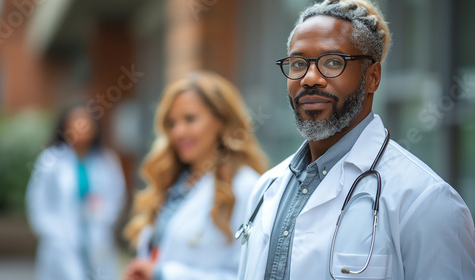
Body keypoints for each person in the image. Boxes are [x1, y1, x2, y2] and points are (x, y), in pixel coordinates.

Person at [237, 0, 475, 279]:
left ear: (372, 77)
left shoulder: (426, 200)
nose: (310, 78)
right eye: (298, 63)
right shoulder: (267, 187)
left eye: (333, 62)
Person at [123, 71, 267, 280]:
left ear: (221, 120)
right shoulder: (174, 181)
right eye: (172, 123)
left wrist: (163, 275)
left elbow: (249, 275)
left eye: (190, 119)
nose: (178, 132)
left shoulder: (245, 186)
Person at [26, 103, 126, 280]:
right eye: (75, 122)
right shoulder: (51, 159)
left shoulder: (106, 160)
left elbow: (116, 197)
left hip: (97, 237)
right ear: (64, 126)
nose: (81, 128)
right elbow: (37, 201)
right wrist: (53, 233)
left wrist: (103, 220)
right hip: (60, 241)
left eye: (85, 123)